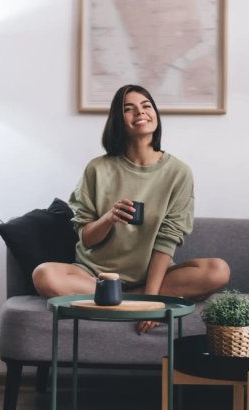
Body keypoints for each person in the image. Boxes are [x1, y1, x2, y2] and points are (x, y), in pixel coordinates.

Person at [32, 84, 230, 334]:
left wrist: (151, 297)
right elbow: (86, 239)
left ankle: (125, 299)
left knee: (217, 271)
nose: (141, 112)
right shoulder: (97, 169)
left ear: (155, 114)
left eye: (146, 106)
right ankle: (119, 297)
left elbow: (168, 239)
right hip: (96, 277)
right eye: (129, 108)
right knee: (44, 275)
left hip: (151, 277)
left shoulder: (178, 172)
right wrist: (109, 218)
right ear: (118, 119)